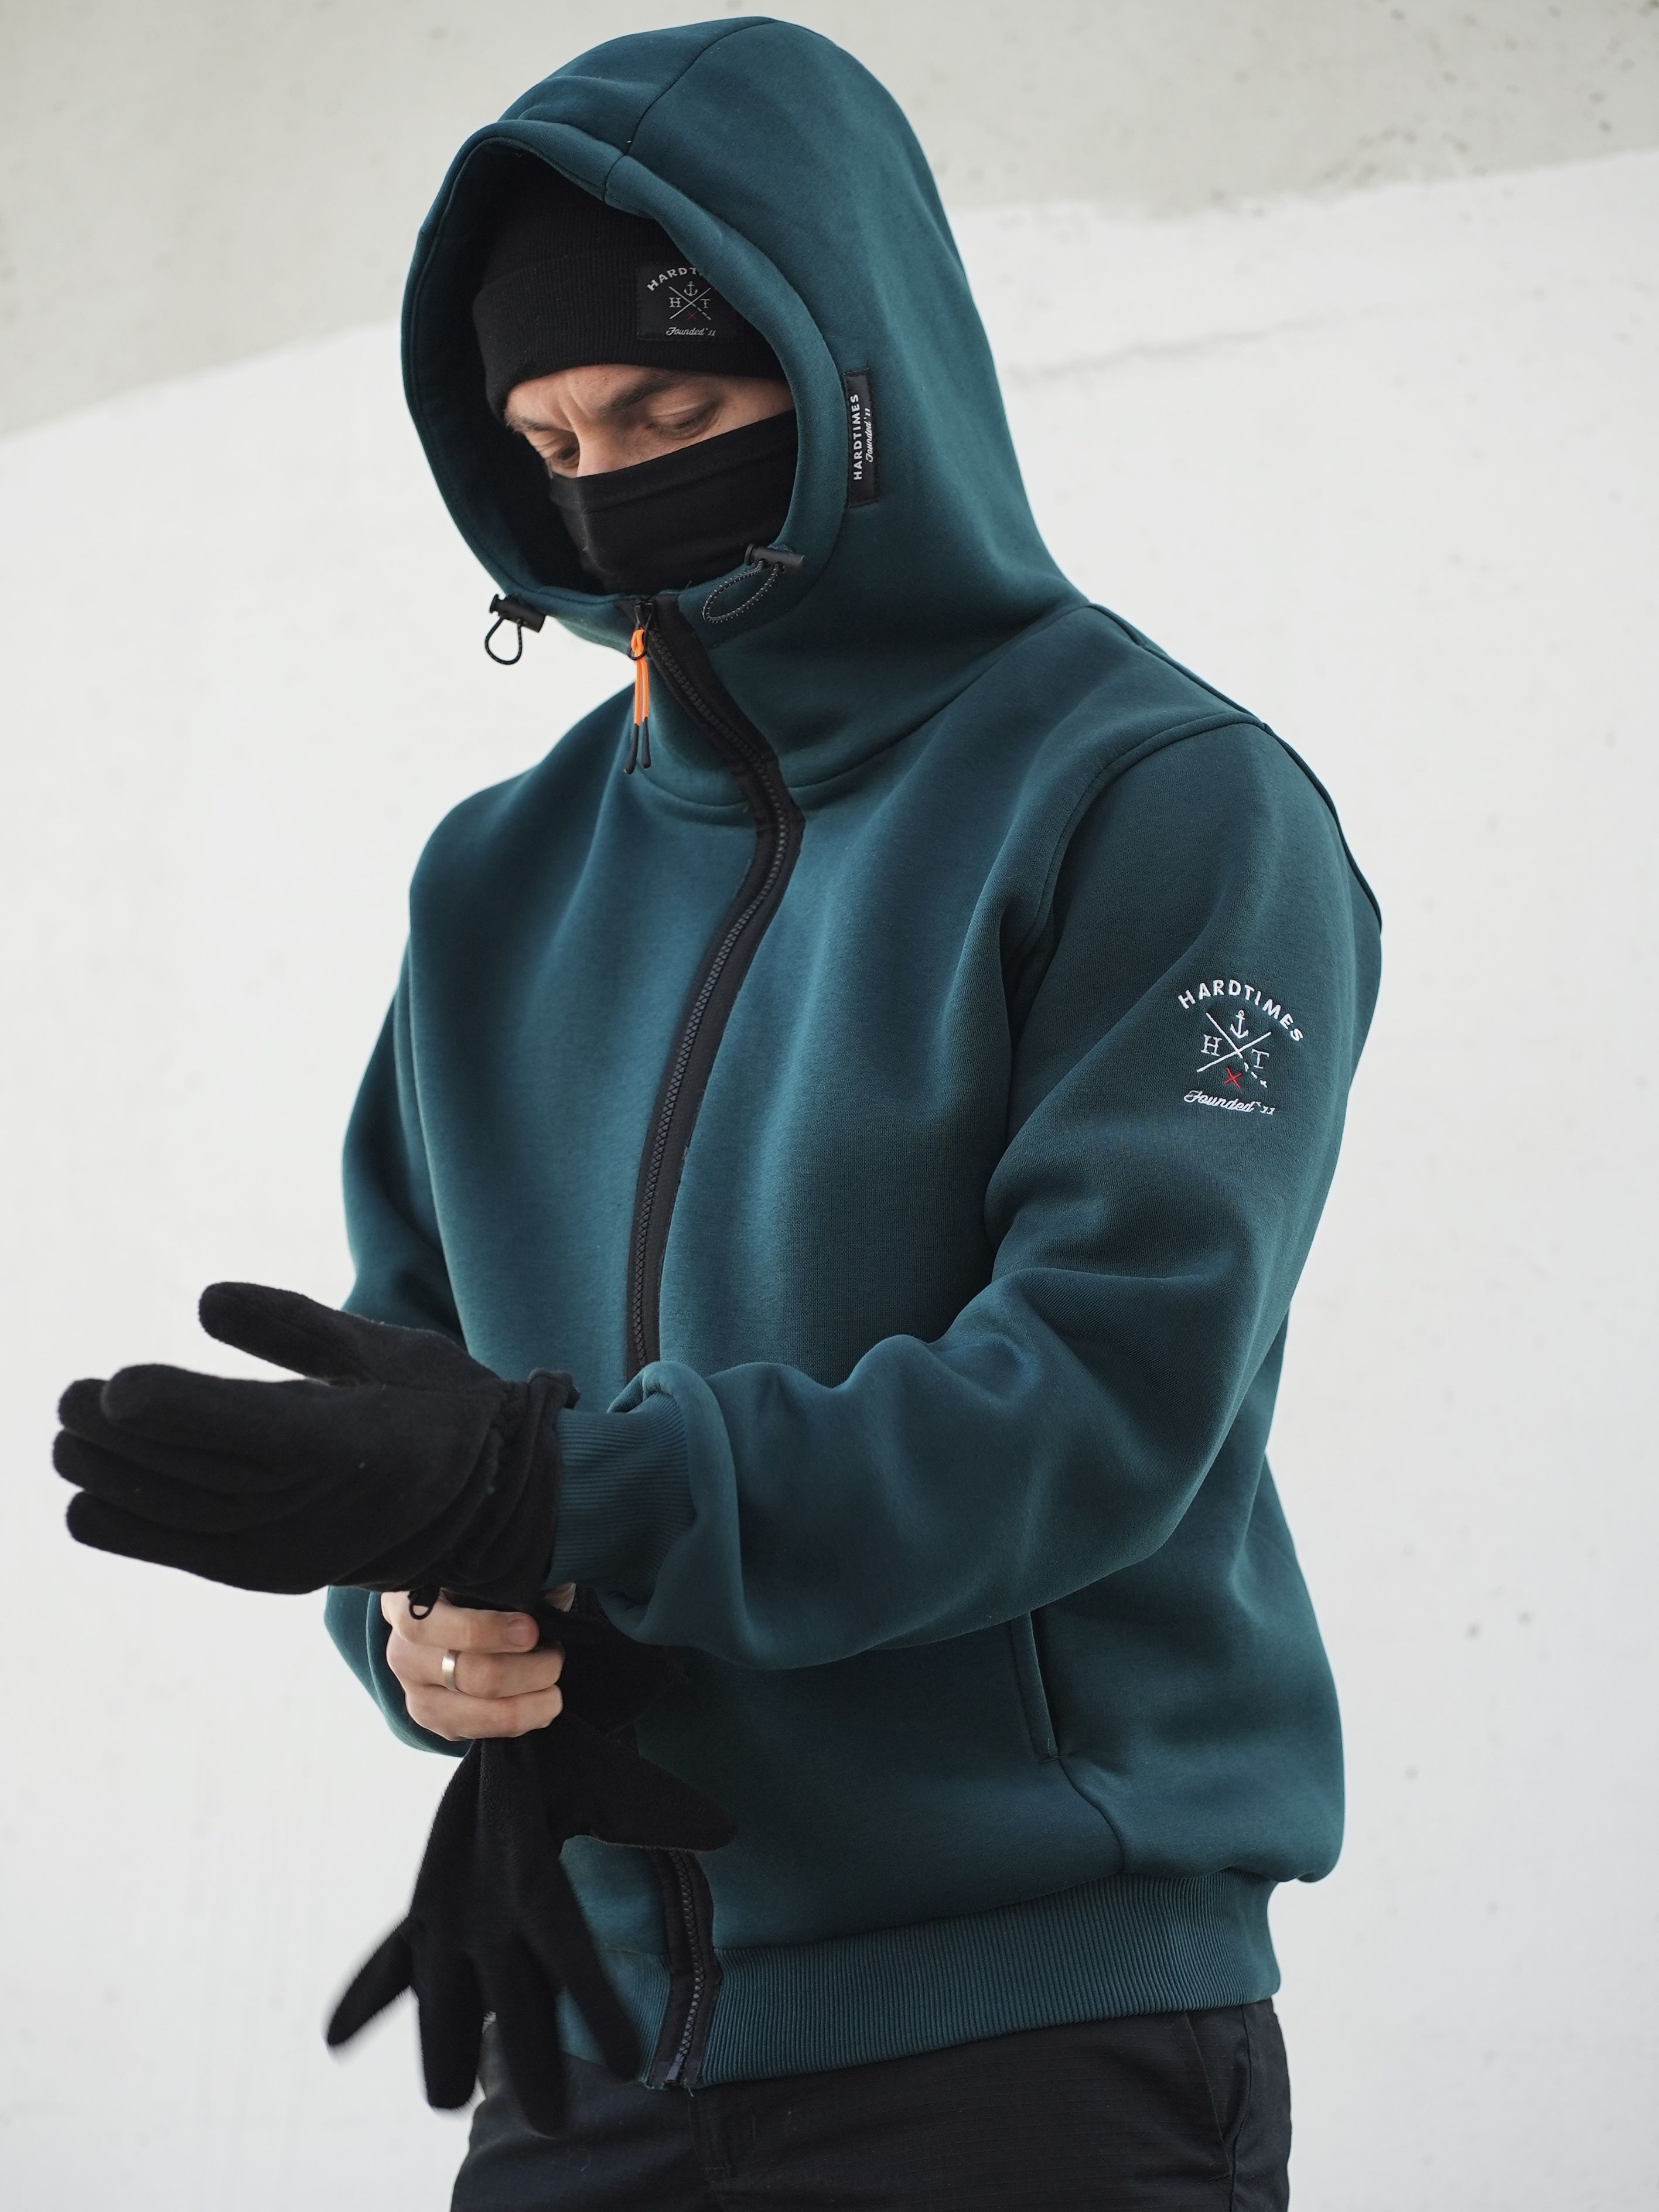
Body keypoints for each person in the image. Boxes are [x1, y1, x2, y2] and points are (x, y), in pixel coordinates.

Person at [56, 18, 1381, 2210]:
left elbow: (1096, 1405)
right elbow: (429, 1389)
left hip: (1024, 2047)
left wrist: (555, 1492)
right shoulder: (497, 880)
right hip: (584, 2054)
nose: (607, 488)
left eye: (673, 414)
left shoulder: (1154, 802)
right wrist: (428, 1625)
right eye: (551, 439)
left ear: (854, 372)